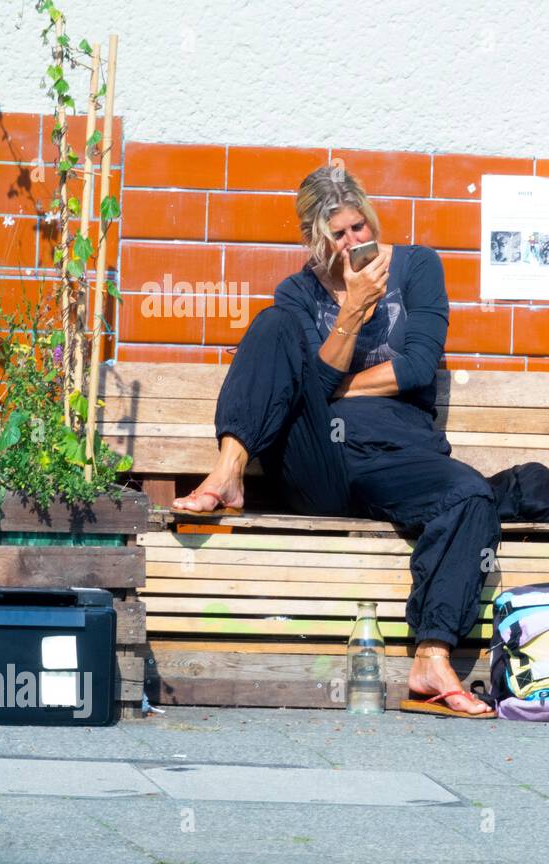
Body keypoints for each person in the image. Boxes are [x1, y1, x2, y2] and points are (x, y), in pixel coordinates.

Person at [171, 166, 499, 716]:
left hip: (398, 455)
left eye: (359, 227)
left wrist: (326, 386)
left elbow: (416, 367)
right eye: (339, 235)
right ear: (313, 240)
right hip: (317, 458)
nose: (355, 242)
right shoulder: (297, 294)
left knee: (469, 494)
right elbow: (313, 391)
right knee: (272, 326)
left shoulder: (418, 267)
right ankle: (227, 473)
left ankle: (432, 656)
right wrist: (349, 314)